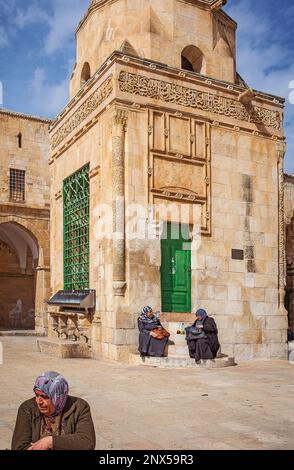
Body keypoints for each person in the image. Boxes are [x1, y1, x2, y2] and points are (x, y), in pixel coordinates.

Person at [11, 371, 96, 450]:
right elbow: (19, 446)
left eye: (45, 397)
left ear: (57, 397)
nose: (39, 401)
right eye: (37, 395)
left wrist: (51, 441)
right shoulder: (27, 409)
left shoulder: (79, 407)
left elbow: (87, 442)